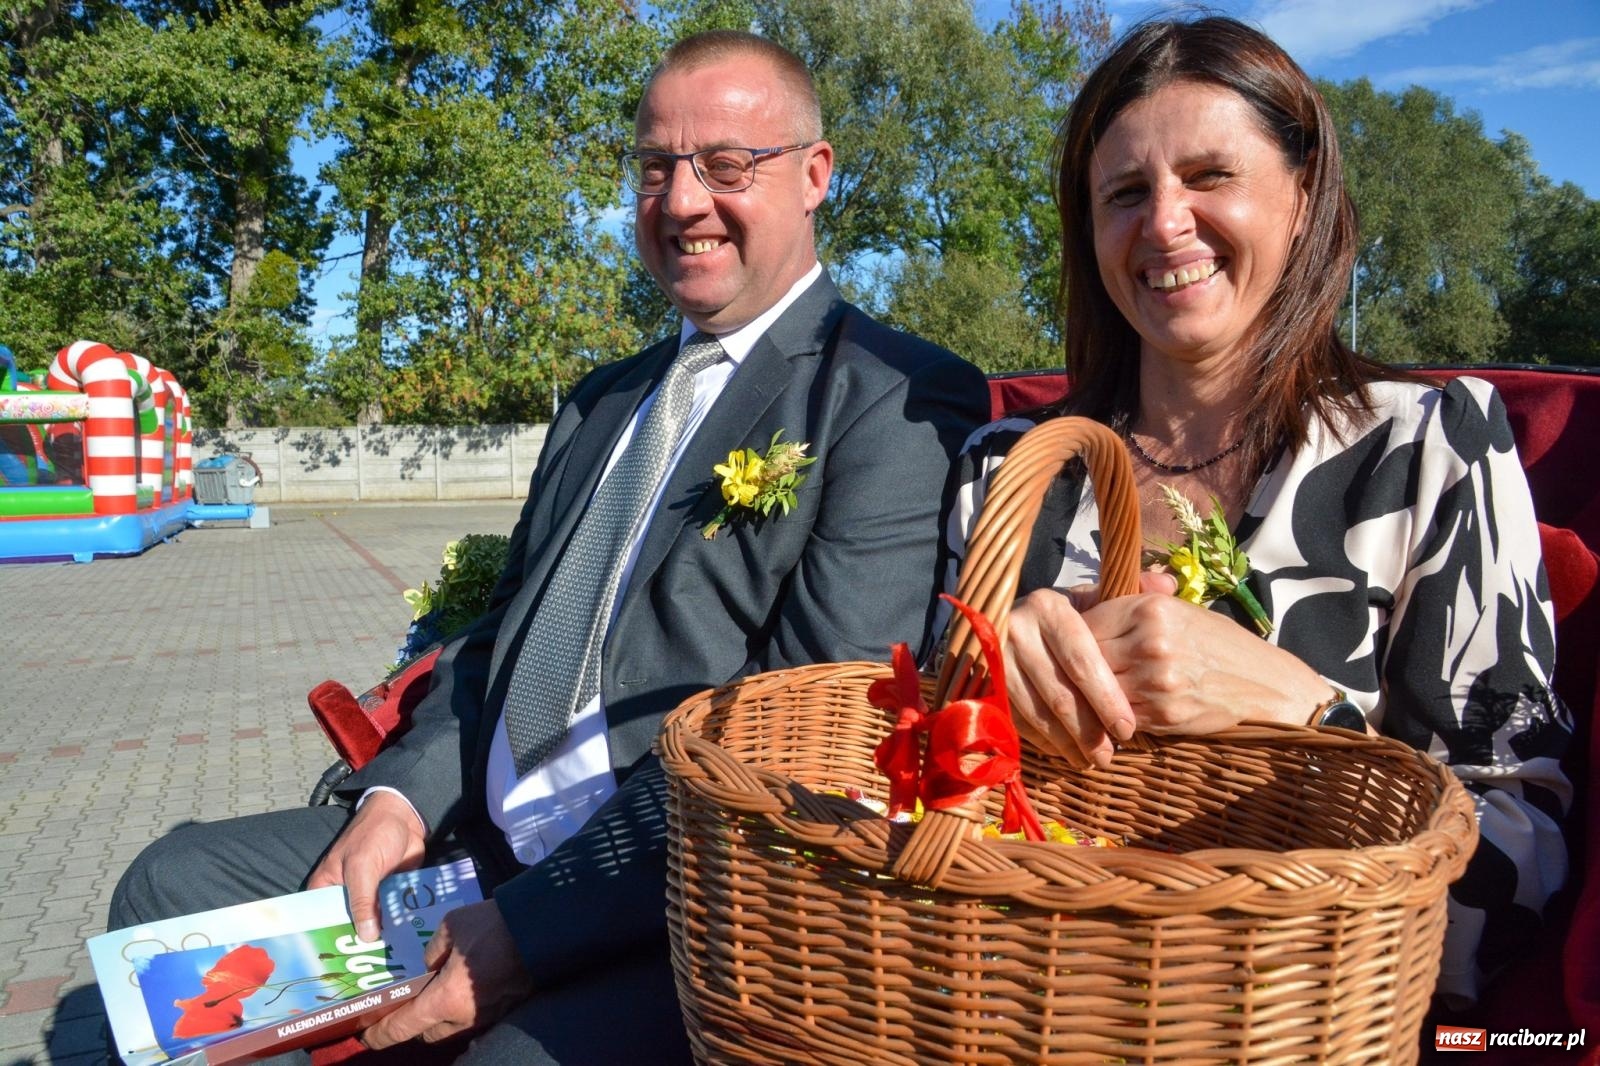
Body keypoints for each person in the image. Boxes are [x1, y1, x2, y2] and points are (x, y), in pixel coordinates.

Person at [110, 30, 987, 1064]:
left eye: (725, 165)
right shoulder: (601, 401)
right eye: (657, 166)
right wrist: (398, 799)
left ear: (814, 175)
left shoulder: (886, 395)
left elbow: (793, 734)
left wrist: (527, 930)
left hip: (674, 882)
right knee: (170, 899)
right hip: (474, 838)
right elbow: (498, 639)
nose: (683, 200)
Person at [944, 15, 1570, 1010]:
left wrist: (1308, 715)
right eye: (1123, 193)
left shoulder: (1431, 450)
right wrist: (980, 696)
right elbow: (913, 803)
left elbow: (1519, 877)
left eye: (1207, 176)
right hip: (1030, 1007)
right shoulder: (1005, 472)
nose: (1163, 223)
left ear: (1303, 197)